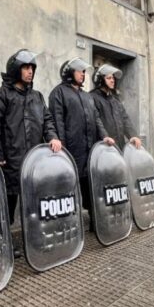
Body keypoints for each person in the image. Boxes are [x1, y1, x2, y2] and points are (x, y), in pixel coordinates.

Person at [0, 49, 62, 257]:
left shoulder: (37, 97)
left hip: (34, 161)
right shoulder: (0, 96)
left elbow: (47, 120)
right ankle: (5, 242)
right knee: (8, 205)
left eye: (32, 68)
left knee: (34, 202)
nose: (30, 72)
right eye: (25, 68)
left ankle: (35, 237)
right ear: (15, 69)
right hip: (10, 161)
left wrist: (53, 136)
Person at [49, 58, 115, 221]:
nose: (83, 75)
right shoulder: (58, 92)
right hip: (71, 150)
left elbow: (96, 118)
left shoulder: (87, 96)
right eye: (80, 71)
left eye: (84, 72)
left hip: (89, 149)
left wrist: (104, 135)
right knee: (69, 186)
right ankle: (69, 223)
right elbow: (57, 120)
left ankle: (95, 221)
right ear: (69, 73)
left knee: (90, 186)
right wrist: (62, 147)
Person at [89, 64, 142, 150]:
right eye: (109, 78)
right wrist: (105, 136)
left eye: (113, 78)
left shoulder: (115, 99)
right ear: (100, 80)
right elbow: (96, 120)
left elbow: (125, 119)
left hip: (119, 146)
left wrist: (133, 136)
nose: (113, 80)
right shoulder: (92, 97)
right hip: (103, 147)